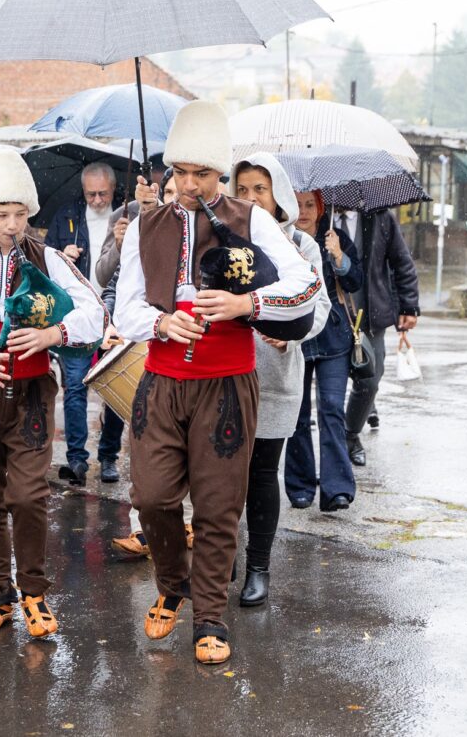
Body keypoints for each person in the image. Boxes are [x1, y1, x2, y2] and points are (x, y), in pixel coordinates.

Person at [115, 100, 320, 665]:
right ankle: (172, 585)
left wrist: (245, 304)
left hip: (228, 384)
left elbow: (305, 285)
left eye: (201, 174)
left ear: (220, 173)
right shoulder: (145, 226)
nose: (189, 185)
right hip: (162, 381)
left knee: (218, 506)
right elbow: (124, 308)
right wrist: (160, 323)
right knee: (152, 497)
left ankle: (209, 616)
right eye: (180, 172)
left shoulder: (250, 219)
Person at [0, 149, 106, 638]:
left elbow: (94, 312)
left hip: (31, 391)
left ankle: (33, 592)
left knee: (29, 495)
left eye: (20, 215)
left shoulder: (48, 258)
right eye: (2, 215)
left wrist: (52, 334)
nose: (12, 225)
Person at [231, 157, 331, 607]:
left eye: (260, 189)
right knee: (223, 474)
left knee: (261, 473)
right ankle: (222, 558)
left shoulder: (301, 245)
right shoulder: (226, 239)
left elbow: (320, 306)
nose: (251, 198)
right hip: (226, 373)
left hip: (275, 373)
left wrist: (293, 334)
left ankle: (258, 567)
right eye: (242, 189)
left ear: (279, 195)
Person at [107, 173, 197, 559]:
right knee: (145, 449)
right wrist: (123, 242)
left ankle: (188, 523)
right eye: (169, 193)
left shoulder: (202, 235)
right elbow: (109, 280)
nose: (174, 200)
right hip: (148, 358)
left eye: (179, 193)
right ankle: (144, 528)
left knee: (191, 449)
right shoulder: (141, 229)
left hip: (196, 366)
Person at [285, 192, 362, 517]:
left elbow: (355, 281)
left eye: (310, 205)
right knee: (298, 413)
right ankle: (301, 487)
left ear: (320, 208)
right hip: (297, 336)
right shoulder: (283, 238)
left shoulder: (335, 236)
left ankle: (337, 489)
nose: (303, 212)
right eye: (297, 204)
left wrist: (339, 256)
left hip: (334, 337)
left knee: (332, 409)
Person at [45, 162, 120, 485]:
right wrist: (61, 254)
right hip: (77, 315)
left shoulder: (125, 218)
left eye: (103, 193)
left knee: (114, 388)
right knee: (75, 387)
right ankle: (77, 459)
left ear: (113, 189)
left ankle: (109, 456)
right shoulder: (66, 216)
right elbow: (46, 262)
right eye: (91, 194)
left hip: (115, 313)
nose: (97, 200)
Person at [332, 205, 419, 467]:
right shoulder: (318, 214)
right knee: (330, 387)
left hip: (370, 314)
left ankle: (350, 433)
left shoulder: (380, 217)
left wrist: (408, 305)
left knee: (369, 380)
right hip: (331, 315)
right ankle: (333, 444)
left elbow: (402, 261)